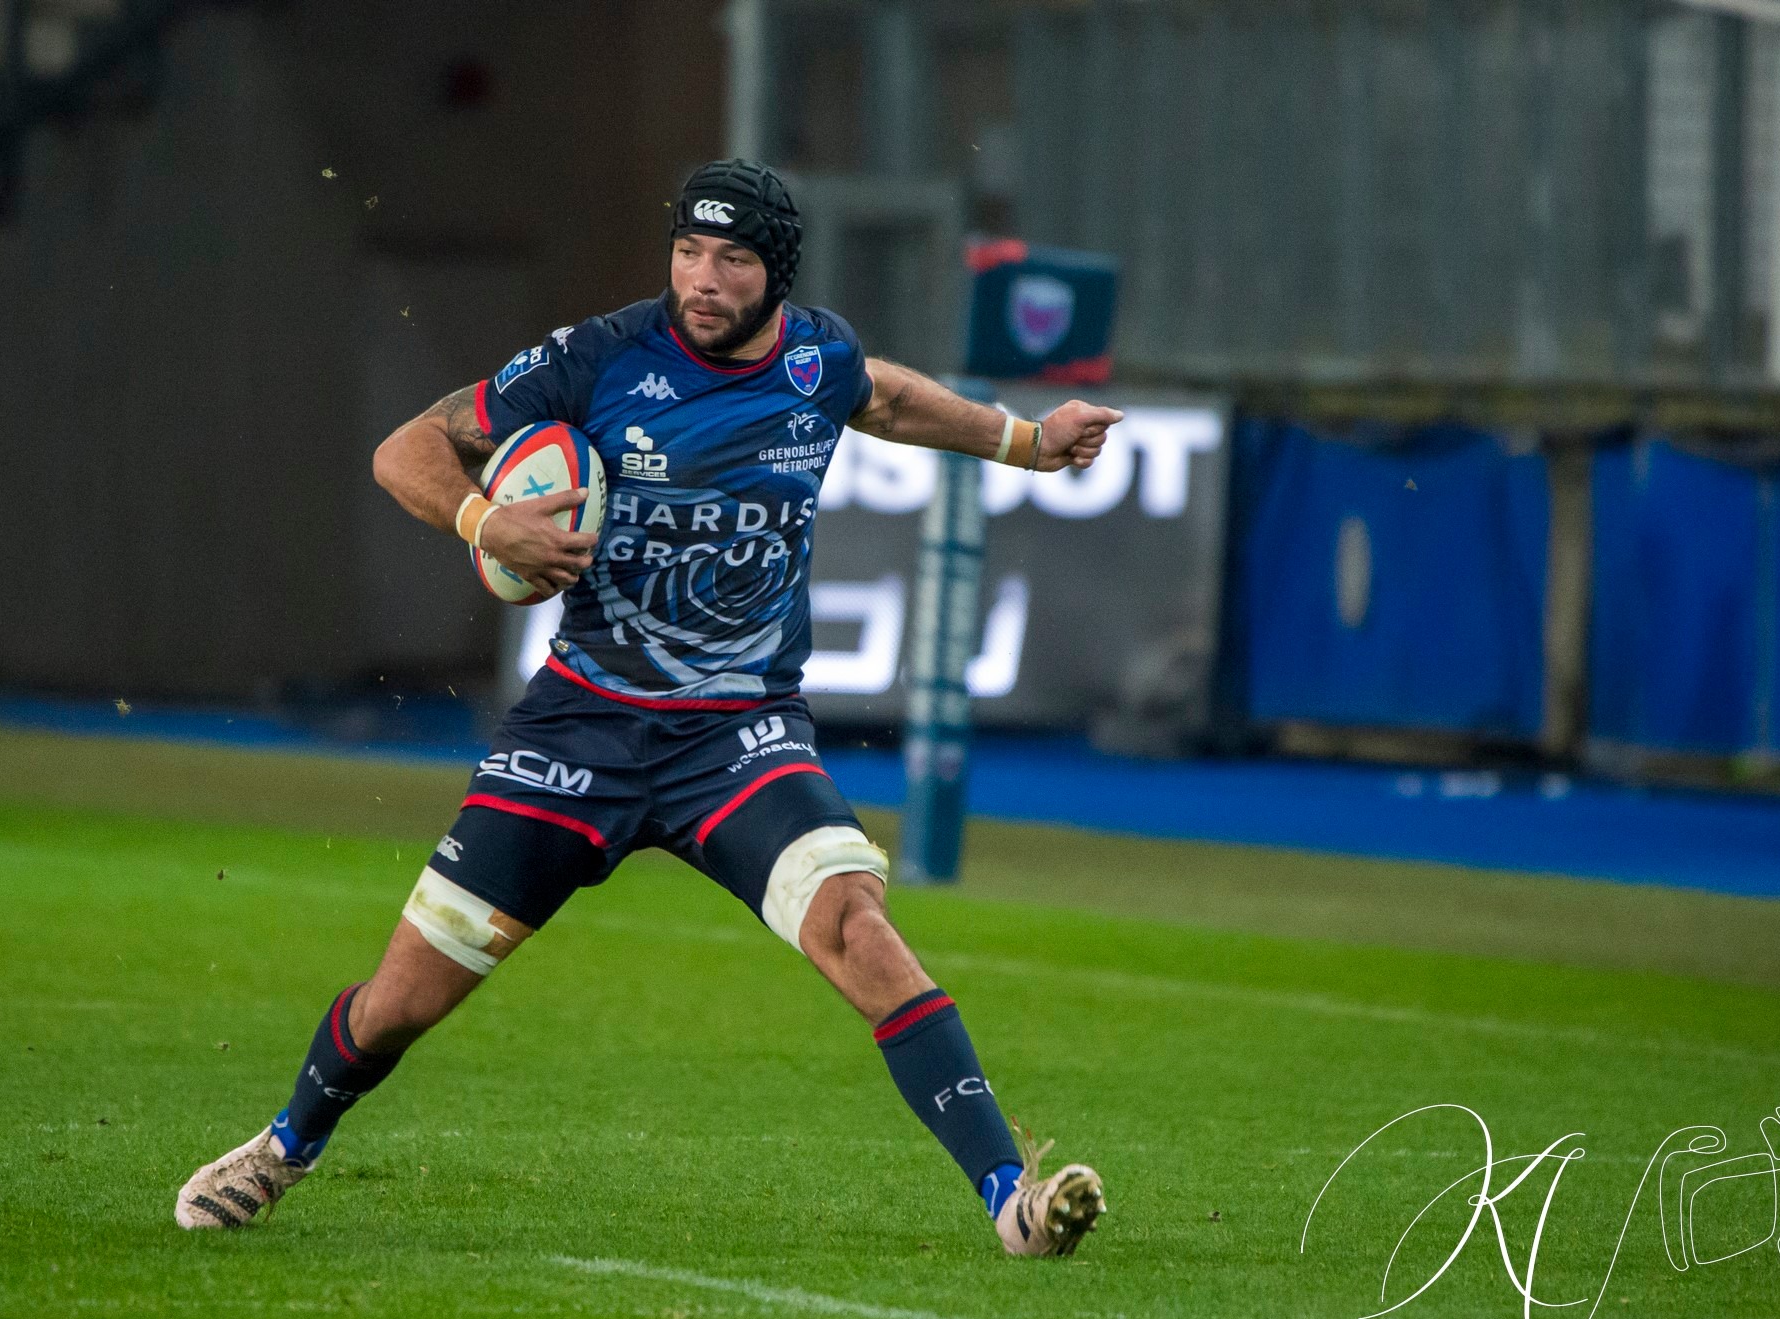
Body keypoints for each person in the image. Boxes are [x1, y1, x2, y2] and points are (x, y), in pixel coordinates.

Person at [174, 158, 1124, 1257]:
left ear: (776, 276)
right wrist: (489, 524)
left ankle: (1010, 1198)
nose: (701, 278)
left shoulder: (818, 356)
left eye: (730, 258)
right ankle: (285, 1142)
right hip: (578, 729)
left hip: (739, 734)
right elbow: (407, 450)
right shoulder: (599, 357)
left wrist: (1020, 440)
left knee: (858, 926)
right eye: (687, 250)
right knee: (400, 1003)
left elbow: (885, 397)